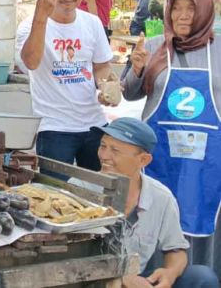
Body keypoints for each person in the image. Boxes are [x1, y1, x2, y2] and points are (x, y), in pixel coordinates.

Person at [123, 0, 221, 275]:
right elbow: (129, 92)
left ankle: (200, 279)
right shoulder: (154, 47)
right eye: (176, 8)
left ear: (204, 12)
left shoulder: (219, 51)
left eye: (191, 9)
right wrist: (137, 69)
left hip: (207, 162)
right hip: (160, 159)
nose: (182, 16)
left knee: (202, 219)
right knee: (156, 219)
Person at [74, 118, 218, 288]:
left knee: (201, 277)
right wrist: (121, 278)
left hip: (137, 280)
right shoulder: (79, 187)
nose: (104, 156)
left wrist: (170, 274)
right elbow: (67, 259)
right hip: (89, 279)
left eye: (115, 150)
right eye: (103, 146)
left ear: (143, 160)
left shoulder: (161, 197)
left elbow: (176, 250)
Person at [16, 0, 115, 175]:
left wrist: (105, 88)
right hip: (54, 127)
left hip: (94, 123)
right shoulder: (29, 26)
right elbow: (31, 62)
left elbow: (101, 66)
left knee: (100, 191)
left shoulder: (92, 23)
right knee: (54, 194)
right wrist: (41, 18)